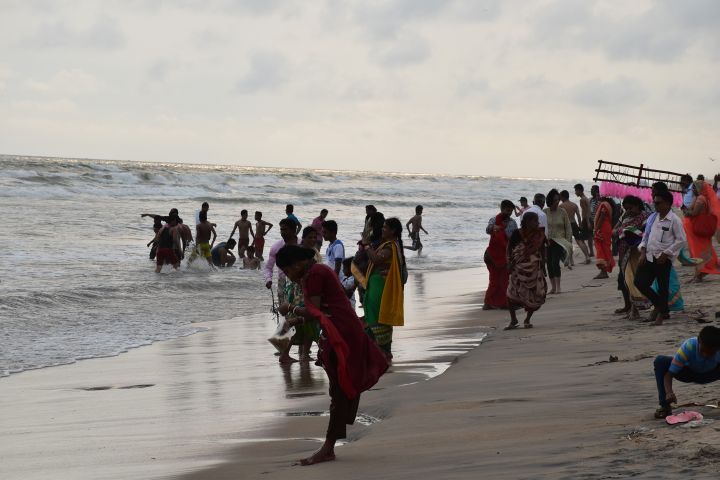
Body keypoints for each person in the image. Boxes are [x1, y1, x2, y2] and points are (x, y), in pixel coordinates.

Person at [275, 245, 388, 466]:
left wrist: (290, 308)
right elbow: (323, 310)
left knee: (339, 392)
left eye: (287, 270)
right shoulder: (315, 272)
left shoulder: (315, 274)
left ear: (297, 264)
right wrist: (295, 320)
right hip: (342, 329)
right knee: (340, 389)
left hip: (342, 332)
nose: (288, 275)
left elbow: (313, 310)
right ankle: (331, 442)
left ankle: (328, 448)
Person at [634, 190, 687, 325]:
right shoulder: (653, 217)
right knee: (639, 282)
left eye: (658, 203)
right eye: (654, 202)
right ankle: (660, 306)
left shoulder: (674, 220)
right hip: (649, 256)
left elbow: (681, 240)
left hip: (663, 259)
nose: (655, 205)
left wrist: (667, 253)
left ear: (668, 203)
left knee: (663, 287)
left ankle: (661, 316)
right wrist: (642, 251)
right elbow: (646, 236)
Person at [652, 326, 720, 419]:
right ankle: (665, 406)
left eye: (710, 352)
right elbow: (669, 375)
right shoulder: (689, 346)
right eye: (703, 350)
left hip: (710, 374)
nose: (705, 355)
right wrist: (669, 392)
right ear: (699, 341)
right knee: (660, 361)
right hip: (687, 373)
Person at [362, 218, 406, 360]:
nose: (382, 229)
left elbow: (376, 260)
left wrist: (367, 246)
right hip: (378, 285)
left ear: (393, 231)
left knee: (379, 317)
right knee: (380, 316)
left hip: (381, 287)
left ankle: (383, 351)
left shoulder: (389, 247)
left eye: (385, 227)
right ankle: (383, 351)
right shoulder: (390, 245)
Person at [505, 212, 547, 330]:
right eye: (535, 221)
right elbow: (509, 249)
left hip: (534, 268)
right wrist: (508, 262)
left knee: (536, 295)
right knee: (510, 294)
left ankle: (527, 319)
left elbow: (543, 249)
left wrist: (543, 263)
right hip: (518, 268)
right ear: (527, 222)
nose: (537, 223)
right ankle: (513, 320)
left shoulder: (539, 234)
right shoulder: (517, 234)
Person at [614, 196, 648, 319]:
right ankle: (629, 307)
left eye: (631, 208)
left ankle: (635, 309)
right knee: (623, 281)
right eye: (626, 208)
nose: (628, 211)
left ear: (638, 205)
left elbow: (645, 233)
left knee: (633, 280)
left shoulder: (645, 217)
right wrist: (621, 231)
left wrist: (633, 232)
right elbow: (615, 229)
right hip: (624, 252)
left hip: (637, 253)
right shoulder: (624, 215)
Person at [683, 179, 720, 282]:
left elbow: (694, 213)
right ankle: (699, 273)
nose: (693, 189)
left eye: (694, 187)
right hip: (702, 229)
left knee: (697, 252)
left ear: (699, 188)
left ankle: (699, 274)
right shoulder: (704, 198)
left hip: (698, 229)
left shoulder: (700, 199)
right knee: (704, 250)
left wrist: (687, 212)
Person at [483, 200, 518, 310]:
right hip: (492, 255)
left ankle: (503, 302)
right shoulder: (494, 220)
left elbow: (515, 239)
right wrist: (494, 228)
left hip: (505, 255)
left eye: (511, 211)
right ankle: (489, 303)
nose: (509, 213)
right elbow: (488, 230)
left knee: (505, 280)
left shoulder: (513, 223)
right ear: (502, 209)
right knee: (494, 280)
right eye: (507, 210)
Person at [543, 189, 573, 294]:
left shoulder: (562, 211)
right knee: (549, 264)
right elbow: (541, 227)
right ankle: (553, 287)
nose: (557, 202)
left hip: (560, 241)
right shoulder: (544, 212)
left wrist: (569, 242)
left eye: (558, 200)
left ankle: (559, 287)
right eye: (555, 200)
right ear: (550, 200)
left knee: (555, 262)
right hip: (548, 242)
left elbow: (568, 227)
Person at [560, 190, 591, 265]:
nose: (560, 198)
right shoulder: (574, 205)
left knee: (568, 243)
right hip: (574, 224)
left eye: (560, 197)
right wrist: (580, 225)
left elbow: (560, 218)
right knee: (579, 241)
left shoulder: (561, 206)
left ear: (563, 197)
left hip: (566, 225)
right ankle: (587, 256)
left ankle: (571, 261)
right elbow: (578, 215)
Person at [593, 196, 616, 279]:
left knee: (601, 248)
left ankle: (603, 271)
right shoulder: (609, 204)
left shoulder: (604, 204)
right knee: (605, 248)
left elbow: (602, 217)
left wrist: (596, 229)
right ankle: (604, 271)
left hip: (602, 228)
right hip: (606, 227)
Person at [574, 184, 595, 257]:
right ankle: (591, 252)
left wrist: (587, 222)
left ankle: (587, 254)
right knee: (589, 236)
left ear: (579, 190)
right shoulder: (586, 198)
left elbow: (586, 211)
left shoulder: (582, 200)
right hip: (589, 219)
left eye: (576, 190)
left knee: (580, 238)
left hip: (586, 220)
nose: (575, 192)